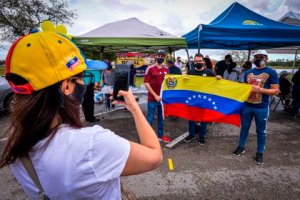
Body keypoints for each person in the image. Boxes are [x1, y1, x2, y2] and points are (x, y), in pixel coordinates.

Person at [0, 31, 162, 199]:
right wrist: (134, 107)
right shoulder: (91, 144)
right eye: (81, 78)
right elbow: (155, 156)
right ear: (66, 87)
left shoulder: (16, 142)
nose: (84, 83)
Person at [232, 56, 279, 165]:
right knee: (244, 128)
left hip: (262, 107)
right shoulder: (248, 72)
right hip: (247, 106)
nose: (258, 59)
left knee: (261, 131)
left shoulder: (271, 72)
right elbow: (244, 88)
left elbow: (276, 91)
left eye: (261, 57)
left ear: (266, 58)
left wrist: (261, 89)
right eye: (256, 57)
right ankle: (241, 146)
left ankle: (260, 152)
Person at [183, 53, 222, 145]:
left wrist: (218, 78)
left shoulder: (209, 72)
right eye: (196, 61)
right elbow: (184, 85)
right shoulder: (190, 72)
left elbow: (215, 85)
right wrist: (183, 78)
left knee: (203, 119)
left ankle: (202, 136)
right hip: (193, 99)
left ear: (204, 62)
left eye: (200, 61)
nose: (198, 62)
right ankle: (191, 135)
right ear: (193, 62)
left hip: (204, 100)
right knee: (191, 118)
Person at [144, 50, 171, 143]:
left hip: (162, 99)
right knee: (150, 118)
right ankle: (147, 138)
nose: (161, 57)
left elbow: (170, 83)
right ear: (156, 56)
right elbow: (146, 83)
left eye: (162, 56)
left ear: (164, 57)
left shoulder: (166, 69)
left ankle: (160, 135)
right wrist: (155, 95)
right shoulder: (150, 68)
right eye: (159, 55)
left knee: (161, 118)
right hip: (152, 98)